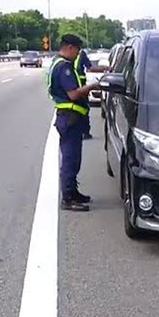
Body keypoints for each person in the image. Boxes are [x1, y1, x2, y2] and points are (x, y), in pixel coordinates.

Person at [47, 34, 100, 211]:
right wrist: (92, 86)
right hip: (70, 118)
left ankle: (73, 192)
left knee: (73, 157)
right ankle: (68, 198)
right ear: (70, 47)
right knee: (70, 159)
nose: (78, 55)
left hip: (69, 117)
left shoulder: (57, 63)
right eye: (77, 50)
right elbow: (73, 94)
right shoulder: (64, 67)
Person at [73, 48, 94, 140]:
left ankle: (76, 130)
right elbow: (90, 67)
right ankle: (85, 132)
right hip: (81, 86)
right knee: (84, 109)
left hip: (70, 85)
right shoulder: (81, 54)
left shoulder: (66, 56)